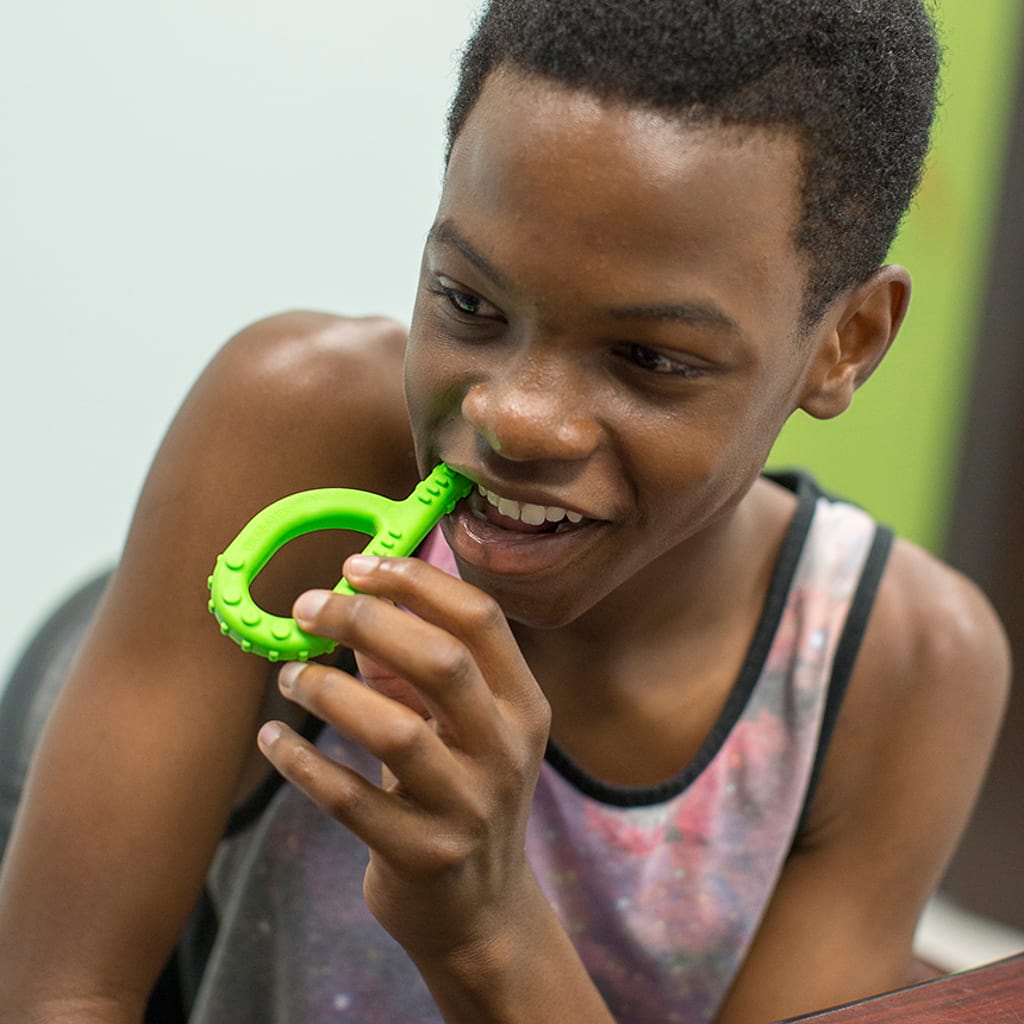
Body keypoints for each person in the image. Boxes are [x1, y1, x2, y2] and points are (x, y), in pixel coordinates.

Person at [0, 1, 1011, 1021]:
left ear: (846, 342)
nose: (515, 417)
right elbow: (53, 991)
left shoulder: (902, 666)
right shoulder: (289, 420)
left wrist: (486, 927)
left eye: (650, 358)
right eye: (469, 304)